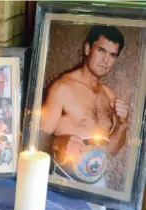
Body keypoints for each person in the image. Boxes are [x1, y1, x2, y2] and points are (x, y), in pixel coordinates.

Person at [39, 25, 129, 188]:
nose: (105, 60)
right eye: (101, 50)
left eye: (112, 55)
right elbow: (37, 139)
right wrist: (60, 142)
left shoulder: (109, 96)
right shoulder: (62, 88)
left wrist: (123, 124)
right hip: (64, 183)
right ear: (88, 49)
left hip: (97, 185)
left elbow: (112, 150)